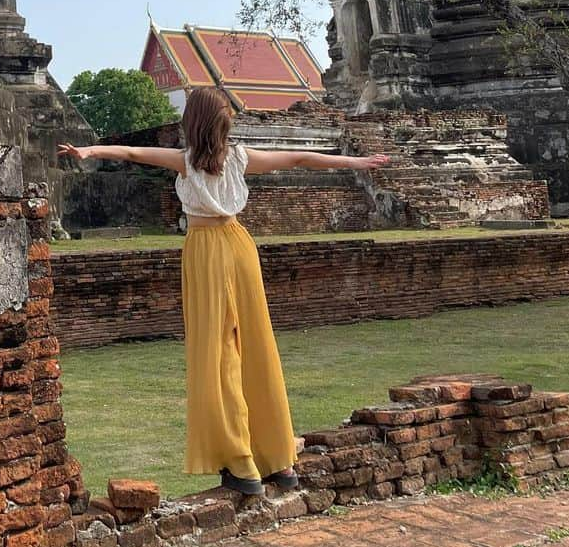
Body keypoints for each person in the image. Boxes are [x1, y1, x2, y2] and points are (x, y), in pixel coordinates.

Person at [58, 84, 390, 495]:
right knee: (256, 348)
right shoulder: (240, 158)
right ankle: (278, 461)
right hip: (240, 247)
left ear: (191, 122)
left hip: (206, 252)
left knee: (218, 356)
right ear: (223, 122)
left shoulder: (184, 161)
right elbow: (301, 157)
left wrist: (89, 152)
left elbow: (130, 153)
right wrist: (357, 161)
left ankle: (242, 463)